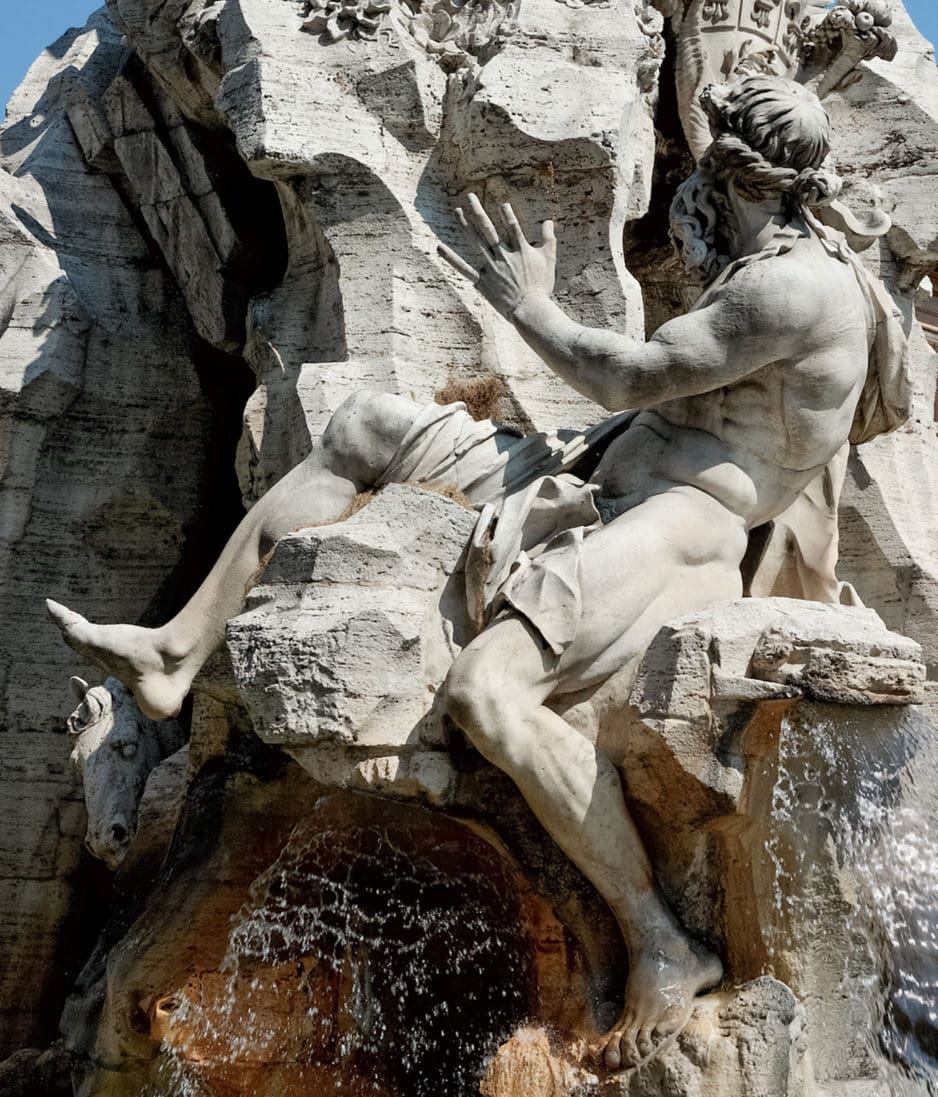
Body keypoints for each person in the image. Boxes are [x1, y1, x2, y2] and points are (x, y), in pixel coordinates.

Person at [47, 75, 909, 1071]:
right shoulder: (775, 260)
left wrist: (526, 303)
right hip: (596, 471)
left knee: (485, 689)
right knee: (365, 423)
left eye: (711, 157)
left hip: (677, 525)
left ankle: (659, 936)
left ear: (733, 168)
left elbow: (623, 374)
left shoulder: (790, 286)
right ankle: (173, 647)